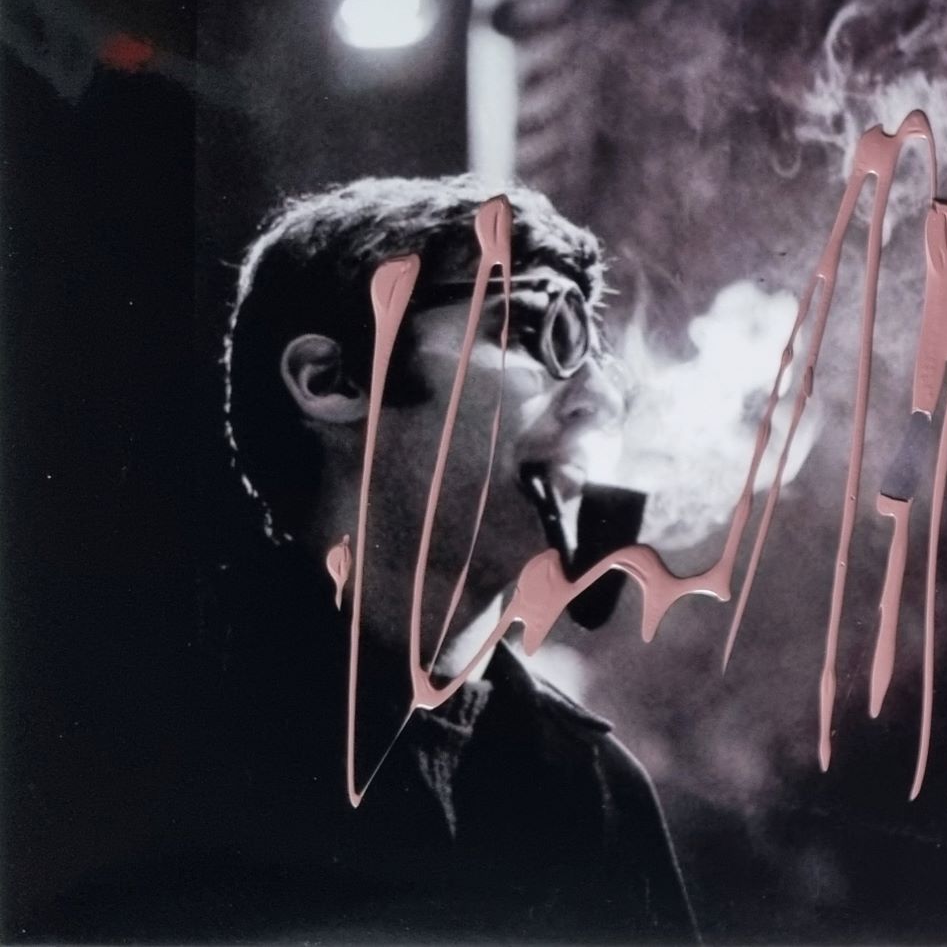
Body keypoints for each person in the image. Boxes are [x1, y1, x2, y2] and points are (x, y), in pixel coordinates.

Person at [214, 174, 698, 941]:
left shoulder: (601, 796)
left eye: (589, 350)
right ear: (334, 380)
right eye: (528, 327)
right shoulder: (160, 746)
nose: (600, 399)